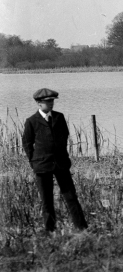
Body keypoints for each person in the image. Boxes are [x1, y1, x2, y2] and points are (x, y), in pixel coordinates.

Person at [21, 88, 88, 233]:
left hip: (61, 164)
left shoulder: (59, 117)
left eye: (52, 101)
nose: (51, 104)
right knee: (47, 200)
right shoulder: (31, 121)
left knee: (70, 196)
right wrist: (34, 162)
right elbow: (27, 143)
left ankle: (82, 229)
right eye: (47, 102)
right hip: (41, 165)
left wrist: (63, 156)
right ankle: (50, 231)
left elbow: (64, 136)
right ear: (39, 103)